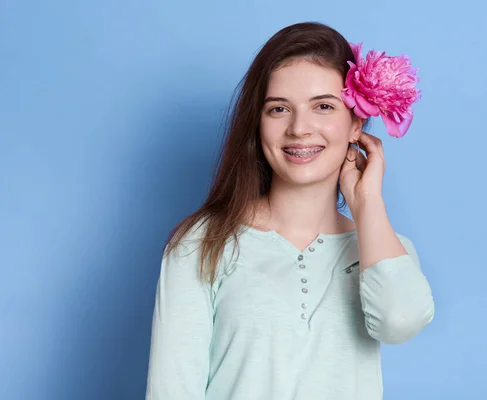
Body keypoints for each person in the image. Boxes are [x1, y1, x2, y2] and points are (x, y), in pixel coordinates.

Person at [145, 21, 434, 400]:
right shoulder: (202, 242)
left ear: (356, 125)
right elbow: (172, 390)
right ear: (258, 124)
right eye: (279, 109)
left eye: (323, 107)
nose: (299, 128)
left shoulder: (384, 249)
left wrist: (368, 206)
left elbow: (400, 322)